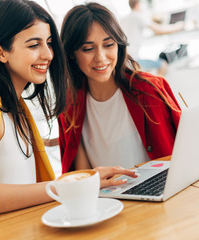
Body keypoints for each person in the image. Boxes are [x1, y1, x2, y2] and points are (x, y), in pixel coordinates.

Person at [0, 0, 136, 230]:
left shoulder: (16, 108)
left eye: (49, 43)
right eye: (33, 45)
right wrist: (67, 186)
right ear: (1, 52)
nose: (48, 54)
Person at [58, 2, 181, 174]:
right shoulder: (69, 108)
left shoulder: (151, 89)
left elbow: (183, 152)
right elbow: (84, 179)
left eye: (108, 45)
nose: (100, 58)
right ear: (71, 53)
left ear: (119, 45)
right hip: (110, 199)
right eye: (88, 49)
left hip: (163, 192)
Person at [121, 0, 185, 75]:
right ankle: (157, 86)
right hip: (133, 61)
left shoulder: (125, 19)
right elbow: (160, 30)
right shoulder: (138, 16)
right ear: (138, 4)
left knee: (149, 70)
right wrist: (178, 26)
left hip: (124, 61)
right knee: (163, 64)